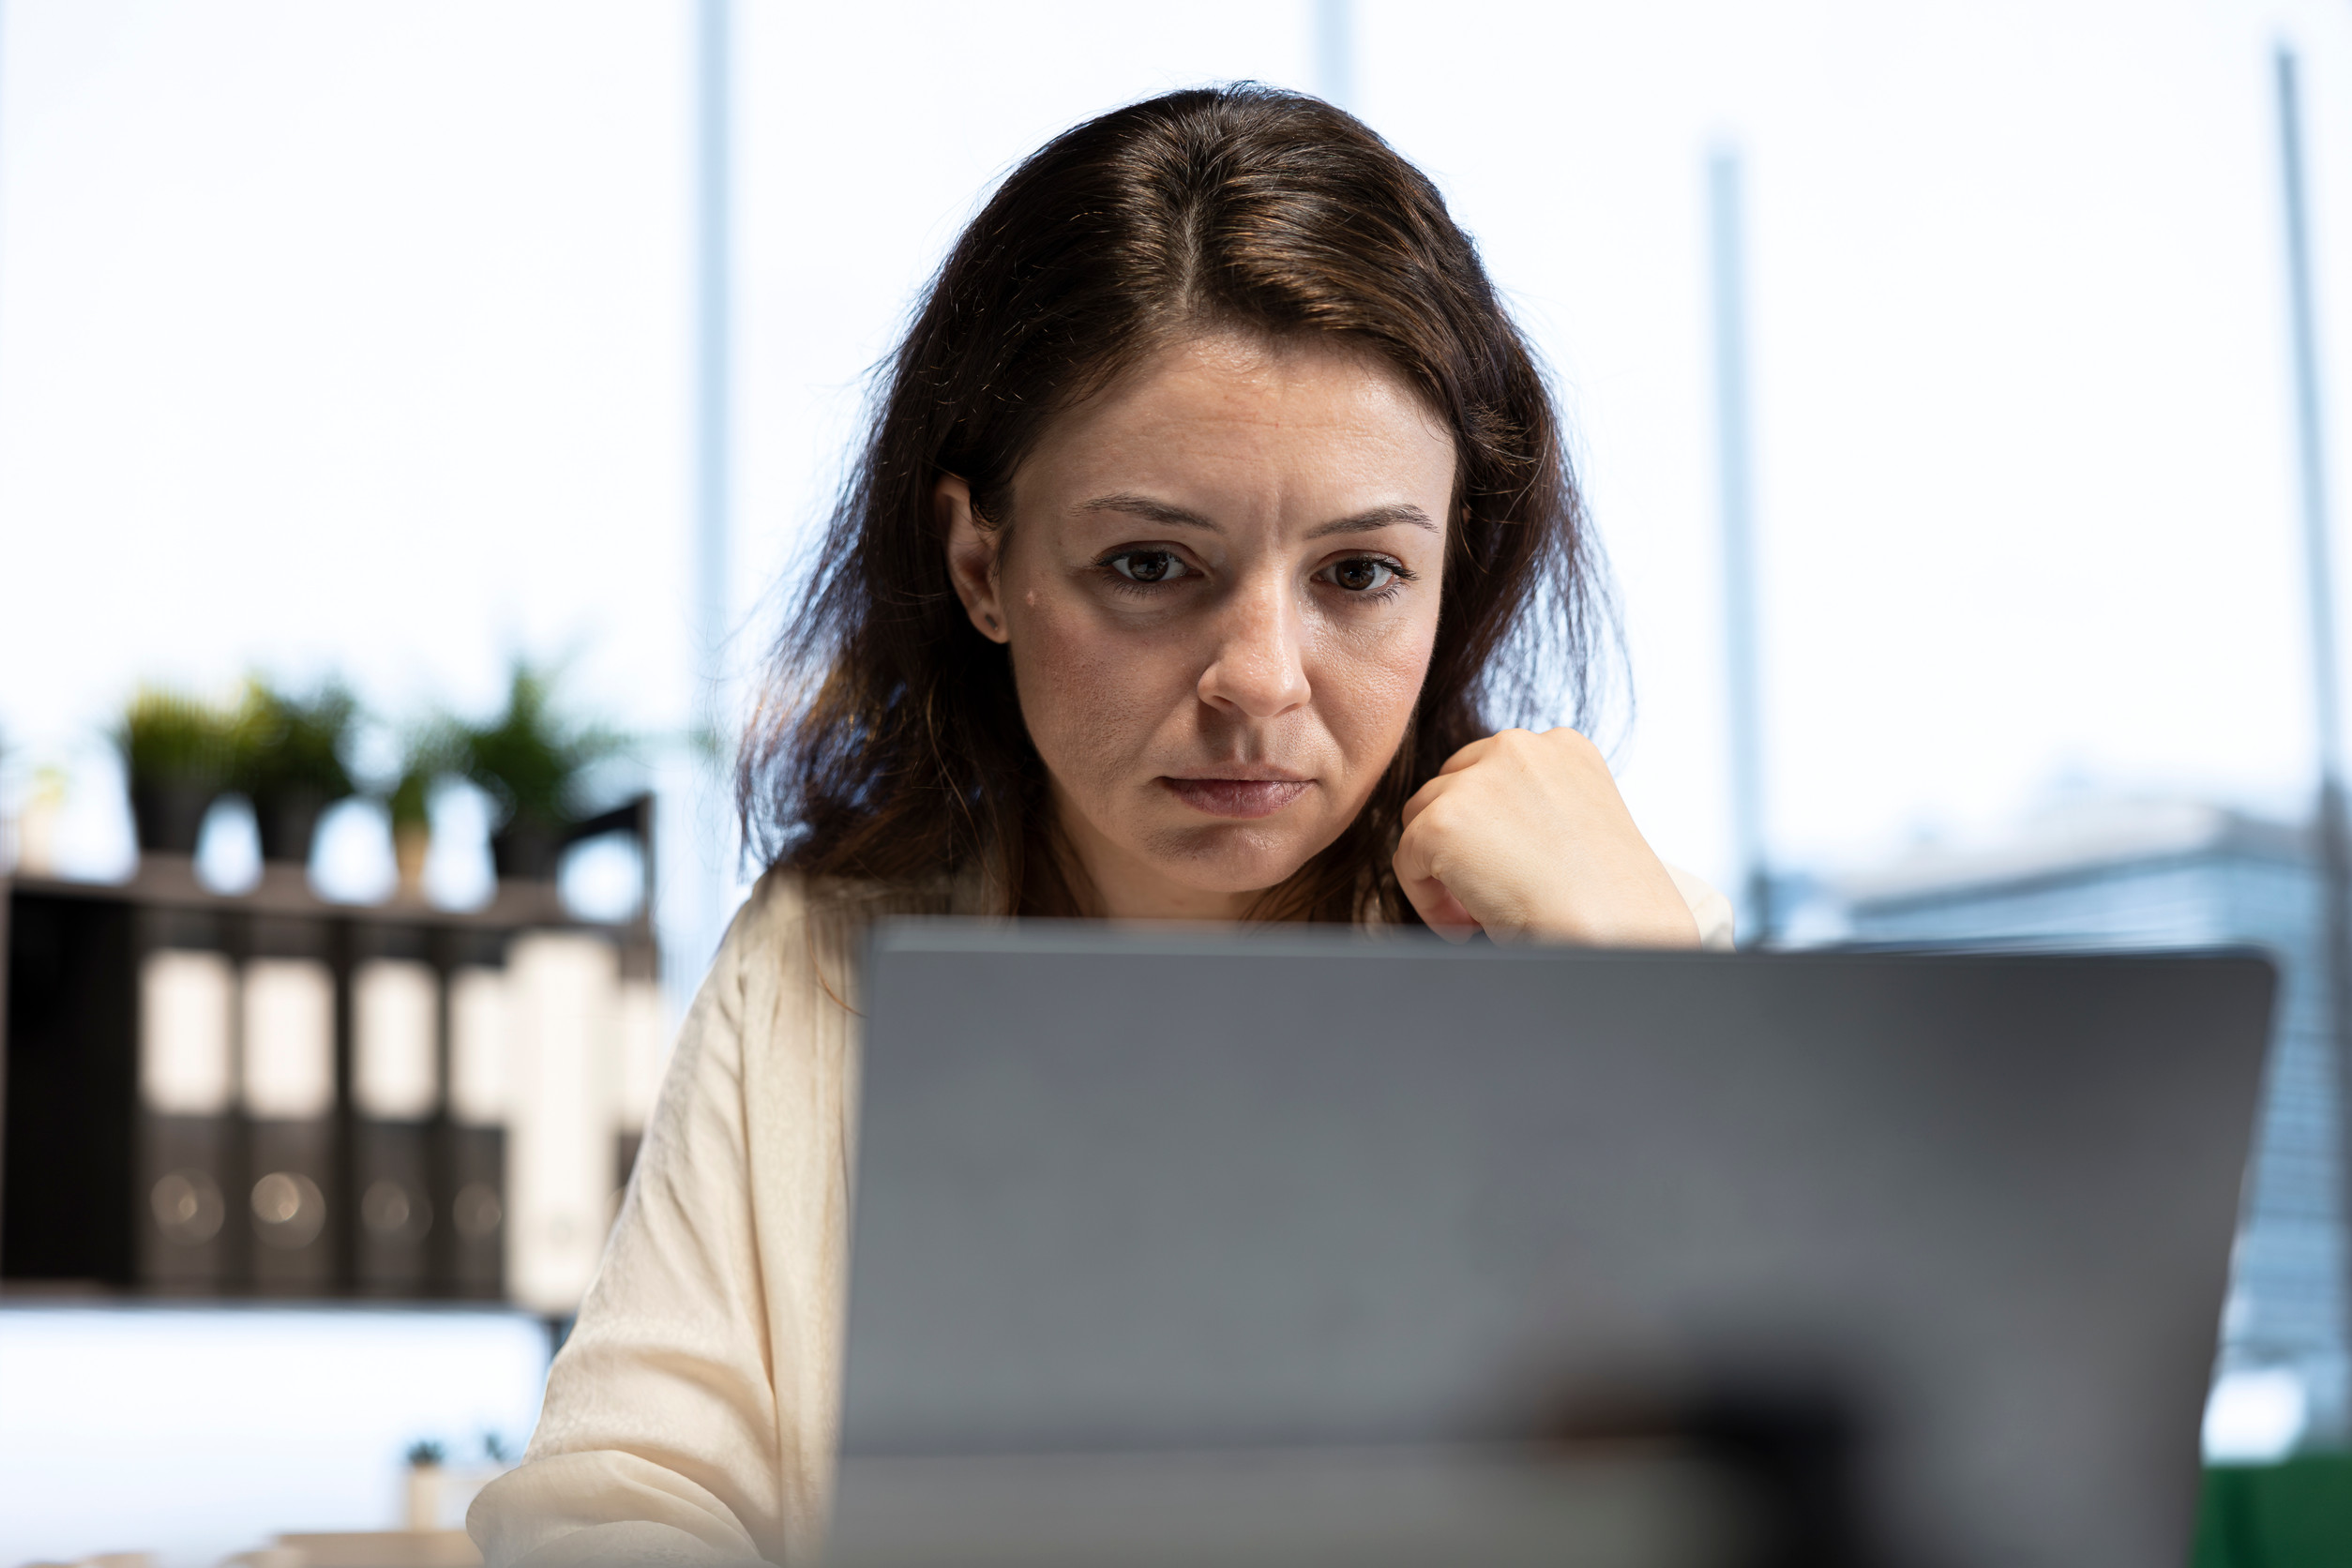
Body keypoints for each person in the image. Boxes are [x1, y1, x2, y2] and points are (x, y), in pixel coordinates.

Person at [470, 83, 1733, 1567]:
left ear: (1455, 565)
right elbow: (623, 1495)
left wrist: (1647, 999)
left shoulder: (1608, 945)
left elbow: (1803, 1487)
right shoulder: (821, 960)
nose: (1261, 679)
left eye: (1359, 576)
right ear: (981, 565)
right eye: (1149, 563)